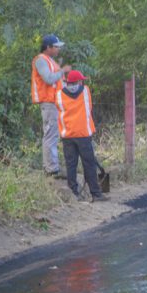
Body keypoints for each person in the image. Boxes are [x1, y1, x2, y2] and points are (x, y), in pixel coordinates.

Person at [55, 70, 108, 202]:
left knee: (71, 164)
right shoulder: (85, 91)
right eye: (81, 80)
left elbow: (59, 110)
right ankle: (96, 193)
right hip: (83, 134)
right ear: (79, 81)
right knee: (89, 164)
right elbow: (89, 107)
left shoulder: (59, 95)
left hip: (67, 135)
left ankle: (73, 193)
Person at [31, 34, 71, 177]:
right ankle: (51, 170)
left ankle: (50, 167)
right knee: (50, 135)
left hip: (53, 103)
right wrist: (62, 71)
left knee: (52, 135)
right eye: (56, 47)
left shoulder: (50, 60)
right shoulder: (41, 60)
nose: (58, 49)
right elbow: (48, 79)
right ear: (48, 47)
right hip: (48, 103)